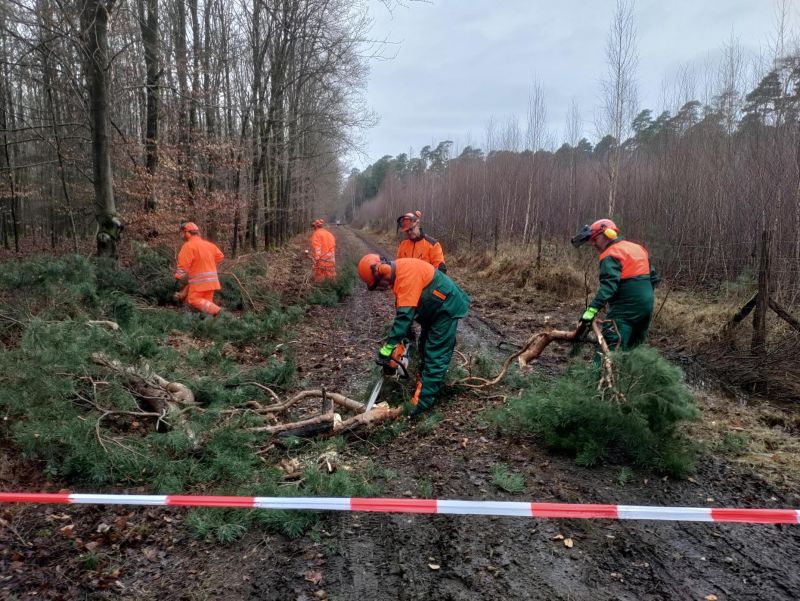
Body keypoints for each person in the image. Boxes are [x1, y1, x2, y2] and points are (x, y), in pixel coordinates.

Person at [357, 254, 470, 413]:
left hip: (445, 308)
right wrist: (403, 340)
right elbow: (404, 308)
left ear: (381, 272)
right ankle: (424, 383)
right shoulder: (397, 277)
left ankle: (421, 404)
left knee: (435, 354)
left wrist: (389, 347)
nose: (381, 289)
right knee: (424, 347)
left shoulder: (406, 274)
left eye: (378, 285)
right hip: (432, 310)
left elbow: (404, 316)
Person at [571, 219, 660, 351]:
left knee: (610, 346)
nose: (594, 244)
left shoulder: (610, 254)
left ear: (608, 234)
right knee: (632, 351)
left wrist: (590, 311)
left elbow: (608, 288)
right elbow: (654, 278)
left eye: (595, 239)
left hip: (625, 310)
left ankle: (600, 371)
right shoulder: (637, 248)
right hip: (646, 308)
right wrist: (642, 298)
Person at [174, 221, 224, 316]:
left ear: (187, 233)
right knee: (206, 305)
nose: (182, 236)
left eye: (183, 233)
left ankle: (219, 312)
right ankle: (207, 324)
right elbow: (220, 256)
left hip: (199, 283)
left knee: (193, 300)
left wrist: (177, 278)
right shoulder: (209, 245)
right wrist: (208, 264)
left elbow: (182, 266)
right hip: (212, 282)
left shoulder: (188, 246)